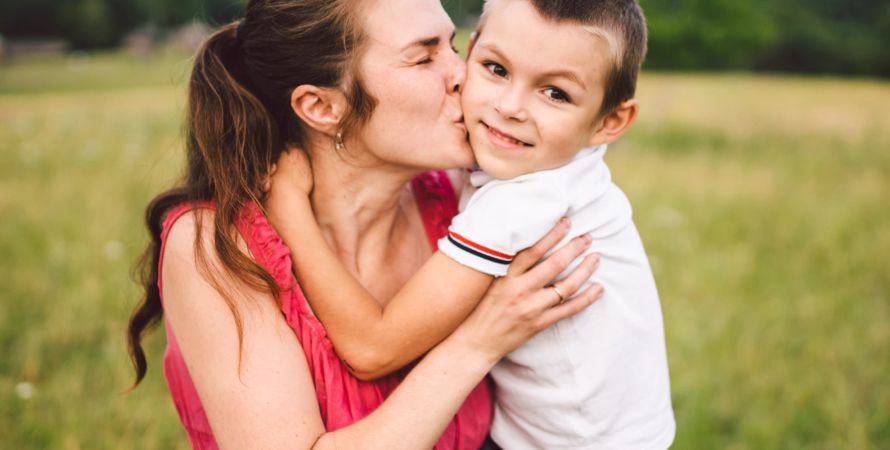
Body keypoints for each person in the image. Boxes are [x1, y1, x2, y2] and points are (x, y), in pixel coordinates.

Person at [125, 0, 604, 449]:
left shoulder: (464, 203)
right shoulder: (217, 246)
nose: (464, 76)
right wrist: (478, 342)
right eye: (424, 58)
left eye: (455, 47)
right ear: (322, 107)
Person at [268, 0, 675, 448]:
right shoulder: (548, 165)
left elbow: (373, 349)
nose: (510, 106)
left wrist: (289, 207)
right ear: (473, 53)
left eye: (555, 93)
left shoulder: (525, 202)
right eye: (496, 69)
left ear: (610, 121)